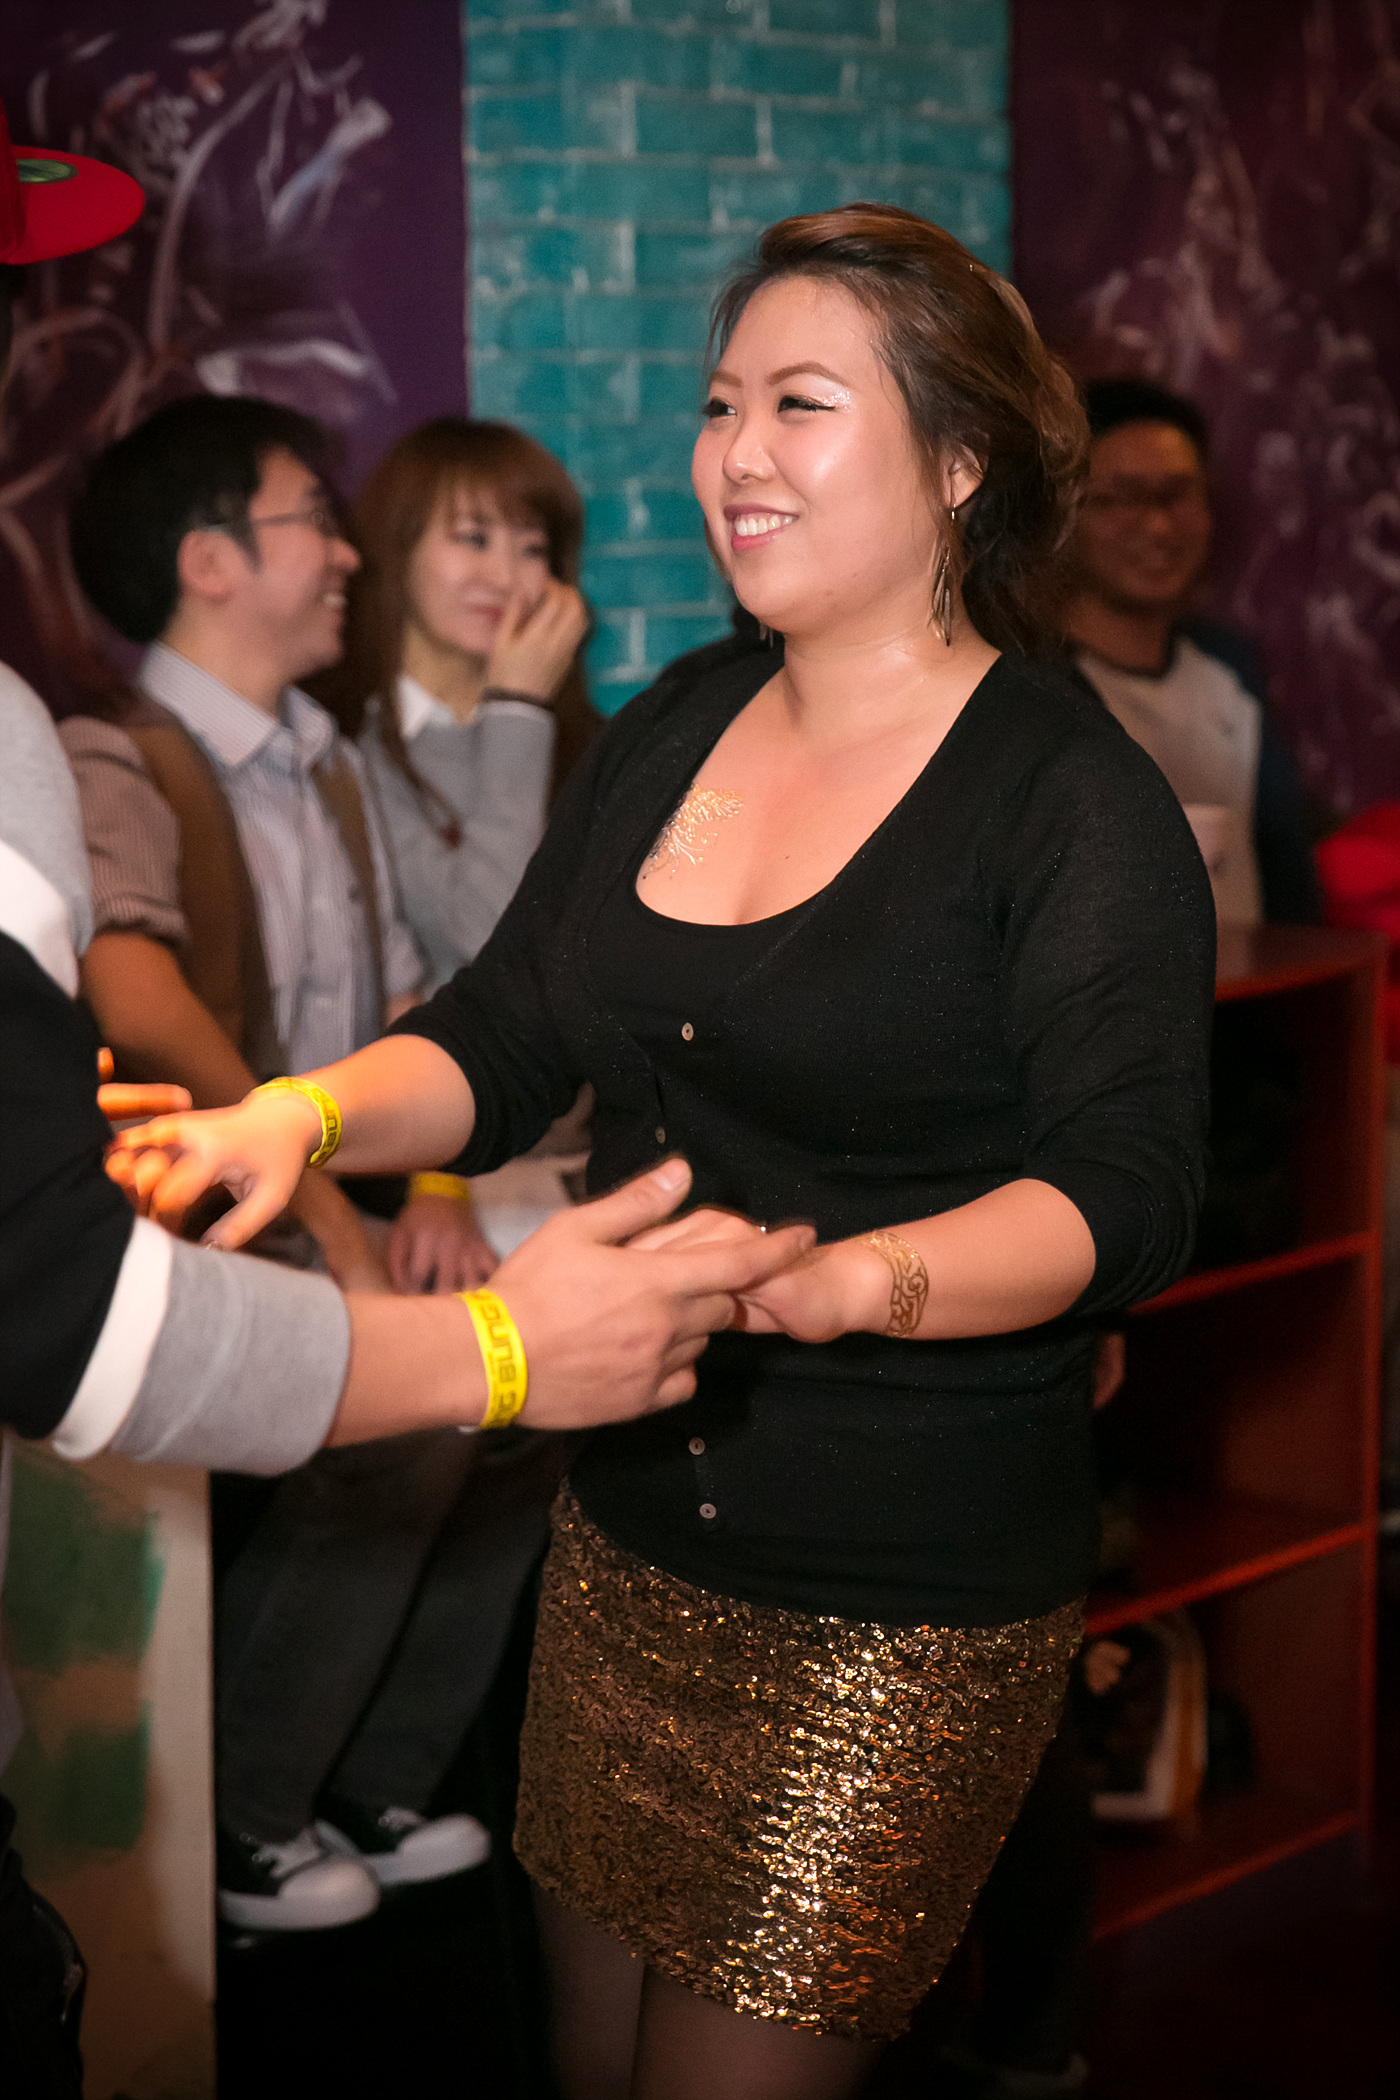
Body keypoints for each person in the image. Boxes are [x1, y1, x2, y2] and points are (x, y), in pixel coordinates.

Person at [109, 204, 1215, 2100]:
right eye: (719, 406)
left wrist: (850, 1283)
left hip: (893, 1598)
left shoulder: (1069, 798)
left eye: (800, 404)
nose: (734, 455)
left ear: (960, 462)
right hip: (626, 1544)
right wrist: (302, 1114)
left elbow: (1127, 1195)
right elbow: (506, 1030)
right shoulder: (677, 722)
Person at [315, 414, 594, 1293]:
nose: (505, 577)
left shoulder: (587, 742)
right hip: (411, 1171)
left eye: (531, 546)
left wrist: (523, 715)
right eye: (472, 539)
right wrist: (516, 711)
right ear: (395, 551)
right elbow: (490, 945)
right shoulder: (341, 746)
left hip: (579, 1165)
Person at [1066, 375, 1321, 927]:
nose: (1158, 526)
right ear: (1064, 514)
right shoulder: (1034, 684)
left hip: (1257, 977)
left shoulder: (1230, 673)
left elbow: (1286, 871)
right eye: (1121, 498)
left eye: (1178, 494)